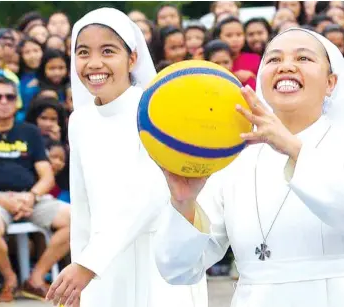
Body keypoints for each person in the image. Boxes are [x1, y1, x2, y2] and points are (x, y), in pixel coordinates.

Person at [155, 28, 344, 307]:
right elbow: (177, 270)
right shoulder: (234, 160)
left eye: (303, 58)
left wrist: (293, 148)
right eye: (273, 60)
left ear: (331, 83)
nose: (286, 66)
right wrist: (183, 204)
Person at [44, 8, 206, 307]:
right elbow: (83, 210)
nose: (94, 63)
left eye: (108, 51)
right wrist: (79, 275)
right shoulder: (80, 121)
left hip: (156, 260)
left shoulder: (156, 112)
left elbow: (153, 193)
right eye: (83, 52)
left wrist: (90, 263)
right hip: (104, 272)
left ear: (132, 58)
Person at [0, 76, 70, 302]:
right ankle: (10, 278)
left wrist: (31, 197)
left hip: (29, 197)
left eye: (10, 96)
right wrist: (4, 201)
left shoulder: (30, 132)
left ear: (17, 101)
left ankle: (34, 279)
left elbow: (47, 175)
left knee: (77, 219)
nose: (4, 101)